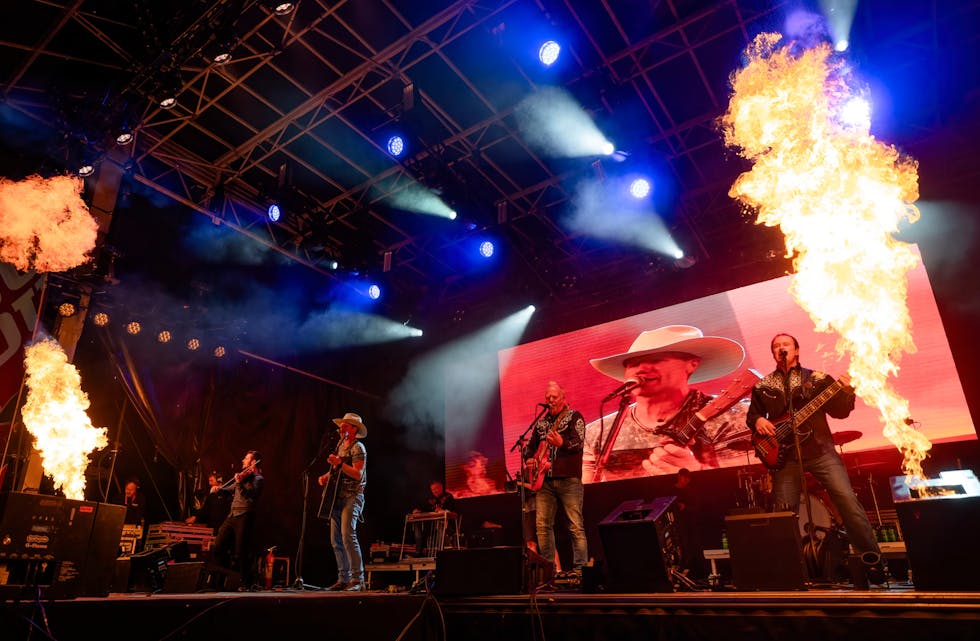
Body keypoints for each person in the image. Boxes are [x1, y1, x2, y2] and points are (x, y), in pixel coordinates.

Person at [746, 333, 883, 582]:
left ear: (797, 350)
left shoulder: (818, 379)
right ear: (773, 353)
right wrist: (757, 420)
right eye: (776, 346)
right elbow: (752, 415)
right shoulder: (763, 385)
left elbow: (841, 412)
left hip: (821, 451)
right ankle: (788, 571)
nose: (781, 348)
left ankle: (870, 561)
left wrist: (847, 388)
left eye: (786, 344)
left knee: (847, 501)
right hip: (784, 457)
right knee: (783, 514)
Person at [583, 325, 753, 481]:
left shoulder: (733, 418)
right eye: (633, 364)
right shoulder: (595, 433)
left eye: (655, 360)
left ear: (692, 364)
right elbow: (584, 494)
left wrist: (697, 473)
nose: (641, 369)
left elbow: (746, 486)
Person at [523, 381, 588, 578]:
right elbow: (529, 448)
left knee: (575, 525)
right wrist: (529, 459)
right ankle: (549, 572)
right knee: (542, 526)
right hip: (545, 482)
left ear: (563, 398)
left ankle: (580, 570)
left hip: (569, 479)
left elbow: (578, 442)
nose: (551, 400)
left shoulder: (574, 416)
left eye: (554, 397)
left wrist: (562, 443)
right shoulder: (541, 423)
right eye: (548, 397)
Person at [318, 412, 367, 592]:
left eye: (345, 426)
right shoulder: (340, 446)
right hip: (337, 496)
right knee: (335, 539)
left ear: (354, 429)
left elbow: (358, 474)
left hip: (352, 495)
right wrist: (326, 476)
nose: (341, 428)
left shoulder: (358, 447)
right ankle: (343, 579)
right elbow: (336, 470)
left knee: (347, 535)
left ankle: (357, 580)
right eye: (341, 426)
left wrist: (339, 463)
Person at [212, 450, 264, 590]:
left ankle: (247, 583)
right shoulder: (243, 477)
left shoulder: (258, 479)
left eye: (246, 458)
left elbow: (250, 496)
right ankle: (221, 579)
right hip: (232, 515)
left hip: (244, 516)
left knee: (241, 552)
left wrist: (239, 483)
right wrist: (218, 489)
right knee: (218, 546)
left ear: (253, 462)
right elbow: (229, 489)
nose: (243, 460)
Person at [411, 481, 458, 557]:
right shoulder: (430, 499)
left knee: (438, 523)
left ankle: (444, 551)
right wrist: (418, 510)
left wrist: (442, 511)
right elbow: (424, 509)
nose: (434, 491)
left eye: (436, 488)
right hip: (430, 526)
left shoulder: (448, 497)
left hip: (447, 526)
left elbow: (454, 512)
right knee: (417, 523)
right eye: (432, 489)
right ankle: (419, 551)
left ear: (441, 487)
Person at [671, 468, 702, 577]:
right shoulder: (671, 491)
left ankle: (689, 570)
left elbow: (697, 508)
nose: (687, 480)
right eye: (685, 478)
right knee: (678, 547)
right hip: (675, 525)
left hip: (689, 525)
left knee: (690, 547)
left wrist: (685, 507)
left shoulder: (690, 491)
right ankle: (678, 569)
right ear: (679, 476)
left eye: (688, 479)